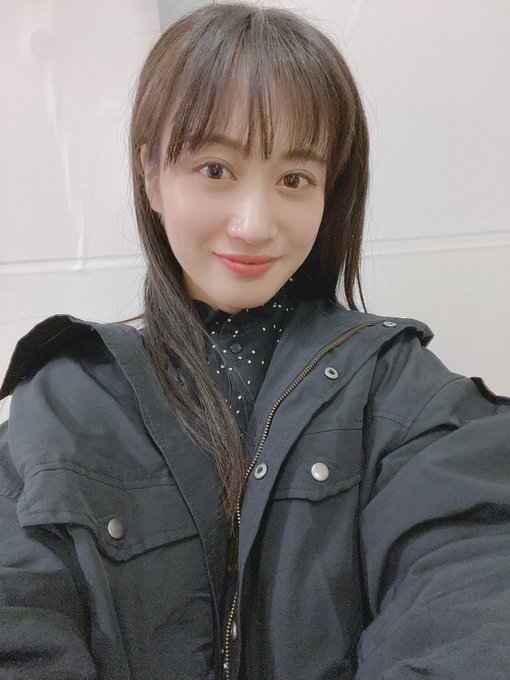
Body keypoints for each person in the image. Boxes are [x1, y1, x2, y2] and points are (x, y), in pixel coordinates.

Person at [0, 3, 509, 679]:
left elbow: (474, 579)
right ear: (152, 175)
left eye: (295, 179)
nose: (254, 224)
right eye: (215, 168)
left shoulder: (400, 387)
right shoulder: (64, 401)